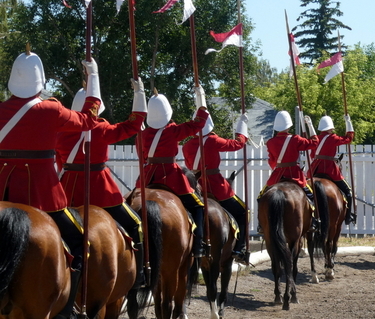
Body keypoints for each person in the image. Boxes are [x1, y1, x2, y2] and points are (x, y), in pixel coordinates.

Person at [0, 51, 101, 319]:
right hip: (42, 195)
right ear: (40, 82)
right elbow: (88, 120)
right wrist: (93, 79)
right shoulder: (52, 110)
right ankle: (65, 312)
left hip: (2, 191)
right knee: (81, 244)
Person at [56, 77, 147, 287]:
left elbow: (59, 162)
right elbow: (133, 125)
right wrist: (139, 96)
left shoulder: (60, 131)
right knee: (135, 224)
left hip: (67, 189)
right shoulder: (100, 128)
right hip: (100, 189)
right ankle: (140, 274)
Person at [136, 87, 209, 257]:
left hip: (148, 176)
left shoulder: (142, 134)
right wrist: (201, 103)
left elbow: (142, 157)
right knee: (198, 206)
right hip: (171, 176)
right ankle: (198, 246)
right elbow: (197, 124)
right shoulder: (172, 130)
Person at [182, 111, 250, 264]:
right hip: (215, 187)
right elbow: (237, 144)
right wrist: (242, 127)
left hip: (194, 187)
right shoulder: (213, 140)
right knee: (243, 212)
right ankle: (239, 249)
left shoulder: (187, 145)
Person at [257, 110, 319, 232]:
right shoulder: (296, 139)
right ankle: (313, 221)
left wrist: (279, 165)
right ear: (289, 126)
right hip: (294, 174)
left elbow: (272, 162)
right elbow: (314, 143)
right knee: (310, 195)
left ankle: (261, 225)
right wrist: (310, 127)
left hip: (277, 175)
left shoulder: (270, 142)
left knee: (261, 197)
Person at [309, 115, 356, 225]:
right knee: (348, 192)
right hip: (330, 169)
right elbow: (348, 139)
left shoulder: (316, 139)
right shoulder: (333, 138)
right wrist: (348, 123)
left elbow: (312, 155)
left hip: (315, 168)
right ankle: (348, 217)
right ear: (331, 128)